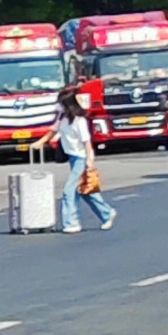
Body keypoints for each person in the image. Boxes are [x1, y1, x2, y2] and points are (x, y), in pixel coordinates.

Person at [55, 84, 114, 233]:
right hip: (72, 158)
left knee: (69, 190)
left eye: (61, 104)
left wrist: (89, 160)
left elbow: (87, 141)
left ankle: (71, 222)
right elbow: (54, 131)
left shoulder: (79, 121)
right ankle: (107, 213)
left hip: (81, 158)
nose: (58, 107)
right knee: (84, 191)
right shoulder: (62, 119)